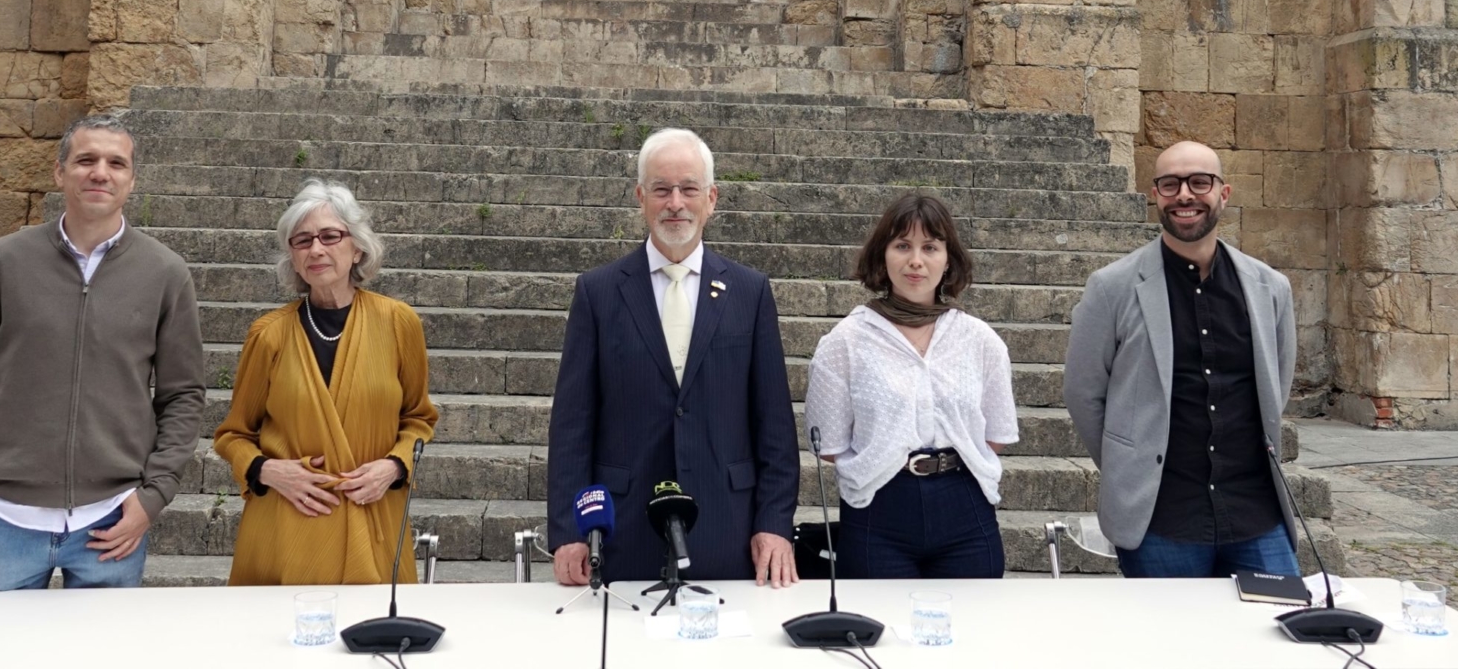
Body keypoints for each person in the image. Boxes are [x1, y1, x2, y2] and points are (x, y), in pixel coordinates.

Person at [0, 113, 205, 589]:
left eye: (116, 163)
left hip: (112, 519)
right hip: (4, 518)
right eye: (86, 160)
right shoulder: (2, 262)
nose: (101, 172)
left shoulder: (165, 273)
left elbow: (183, 395)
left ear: (131, 179)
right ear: (60, 172)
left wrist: (154, 495)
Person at [546, 128, 800, 588]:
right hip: (625, 528)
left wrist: (775, 525)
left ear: (712, 198)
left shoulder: (750, 292)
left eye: (688, 189)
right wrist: (569, 530)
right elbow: (572, 425)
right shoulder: (598, 293)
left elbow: (775, 427)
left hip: (728, 525)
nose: (676, 202)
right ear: (642, 197)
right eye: (662, 189)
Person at [1063, 140, 1301, 579]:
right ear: (1155, 194)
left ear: (1223, 193)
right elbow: (1083, 393)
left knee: (1272, 635)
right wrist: (1130, 464)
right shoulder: (1111, 288)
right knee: (1167, 645)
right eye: (1170, 184)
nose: (1185, 195)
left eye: (1199, 182)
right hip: (1161, 519)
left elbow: (1276, 383)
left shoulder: (1271, 288)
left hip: (1255, 512)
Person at [213, 179, 439, 585]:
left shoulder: (397, 322)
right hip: (286, 533)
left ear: (357, 247)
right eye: (302, 241)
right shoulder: (269, 335)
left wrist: (393, 466)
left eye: (330, 236)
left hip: (373, 525)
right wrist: (267, 470)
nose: (316, 249)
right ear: (293, 258)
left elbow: (419, 420)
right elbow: (233, 435)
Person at [805, 193, 1017, 579]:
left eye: (930, 247)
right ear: (883, 256)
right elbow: (830, 445)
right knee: (880, 635)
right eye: (902, 245)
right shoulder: (845, 341)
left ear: (948, 258)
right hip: (879, 510)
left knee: (975, 630)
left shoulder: (980, 341)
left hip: (965, 510)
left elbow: (996, 435)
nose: (916, 260)